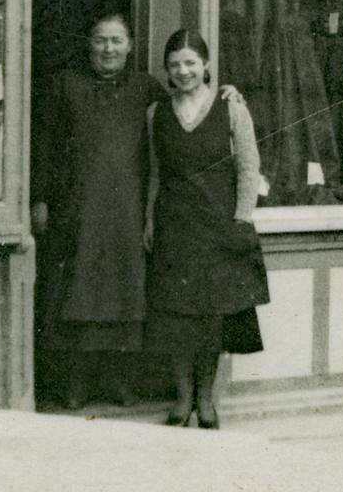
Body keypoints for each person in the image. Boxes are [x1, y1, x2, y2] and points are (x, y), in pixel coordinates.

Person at [32, 11, 159, 411]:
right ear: (89, 43)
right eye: (101, 40)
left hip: (127, 211)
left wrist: (224, 92)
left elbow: (187, 113)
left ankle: (119, 382)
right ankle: (77, 383)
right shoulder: (66, 85)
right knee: (77, 296)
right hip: (78, 208)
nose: (108, 48)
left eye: (116, 41)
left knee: (125, 298)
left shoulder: (147, 88)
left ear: (130, 46)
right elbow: (44, 145)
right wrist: (41, 198)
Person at [145, 28, 268, 428]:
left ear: (206, 65)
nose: (184, 71)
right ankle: (182, 400)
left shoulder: (231, 107)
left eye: (191, 63)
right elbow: (154, 174)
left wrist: (242, 219)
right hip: (174, 226)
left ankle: (206, 399)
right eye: (176, 64)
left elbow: (249, 168)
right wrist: (149, 220)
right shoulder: (156, 113)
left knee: (211, 319)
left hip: (217, 227)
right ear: (167, 69)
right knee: (177, 317)